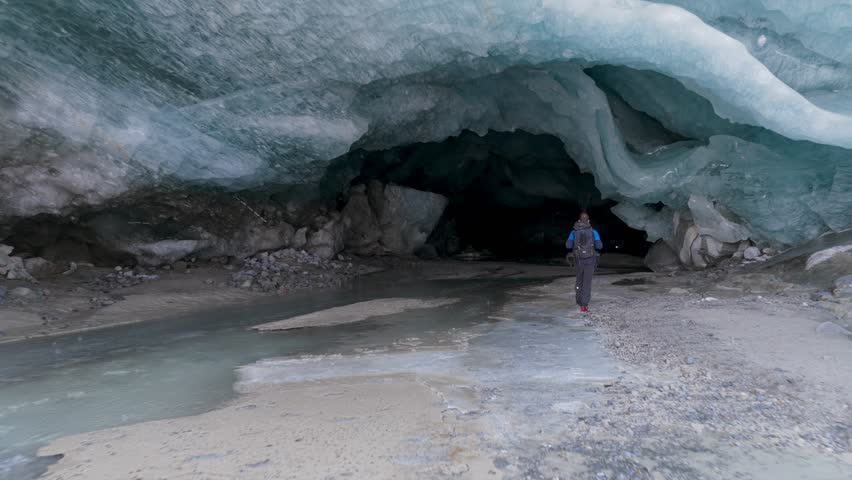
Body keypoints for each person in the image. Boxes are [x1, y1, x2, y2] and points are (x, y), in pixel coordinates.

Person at [565, 212, 602, 312]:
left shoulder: (573, 232)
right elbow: (599, 246)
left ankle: (578, 300)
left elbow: (568, 246)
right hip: (590, 260)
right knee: (587, 282)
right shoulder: (594, 232)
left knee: (579, 280)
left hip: (578, 260)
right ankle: (584, 305)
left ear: (579, 220)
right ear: (589, 221)